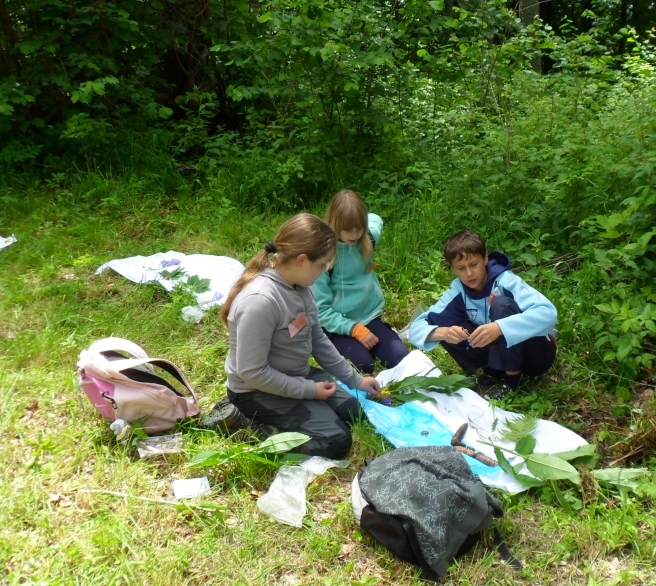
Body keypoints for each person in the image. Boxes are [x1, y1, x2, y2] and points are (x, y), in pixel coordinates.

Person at [220, 213, 380, 459]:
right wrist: (310, 390)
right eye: (323, 264)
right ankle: (251, 428)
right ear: (302, 260)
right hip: (256, 391)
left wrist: (355, 380)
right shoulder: (260, 302)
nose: (324, 271)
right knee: (336, 442)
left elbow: (317, 338)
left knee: (354, 413)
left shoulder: (301, 287)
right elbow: (252, 373)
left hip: (293, 375)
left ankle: (297, 414)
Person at [408, 230, 558, 397]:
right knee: (447, 327)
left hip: (536, 356)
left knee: (501, 305)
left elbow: (548, 314)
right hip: (498, 357)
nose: (469, 273)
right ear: (453, 269)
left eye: (474, 264)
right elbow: (415, 330)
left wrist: (499, 327)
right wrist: (444, 333)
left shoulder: (506, 281)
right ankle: (493, 376)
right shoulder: (457, 292)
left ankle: (512, 383)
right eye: (461, 268)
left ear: (485, 258)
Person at [313, 190, 408, 374]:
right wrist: (354, 329)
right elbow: (320, 310)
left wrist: (365, 223)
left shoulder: (368, 238)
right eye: (348, 229)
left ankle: (372, 342)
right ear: (334, 224)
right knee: (364, 365)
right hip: (337, 324)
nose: (354, 234)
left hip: (369, 316)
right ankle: (344, 346)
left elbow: (375, 219)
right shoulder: (324, 257)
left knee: (400, 357)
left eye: (359, 228)